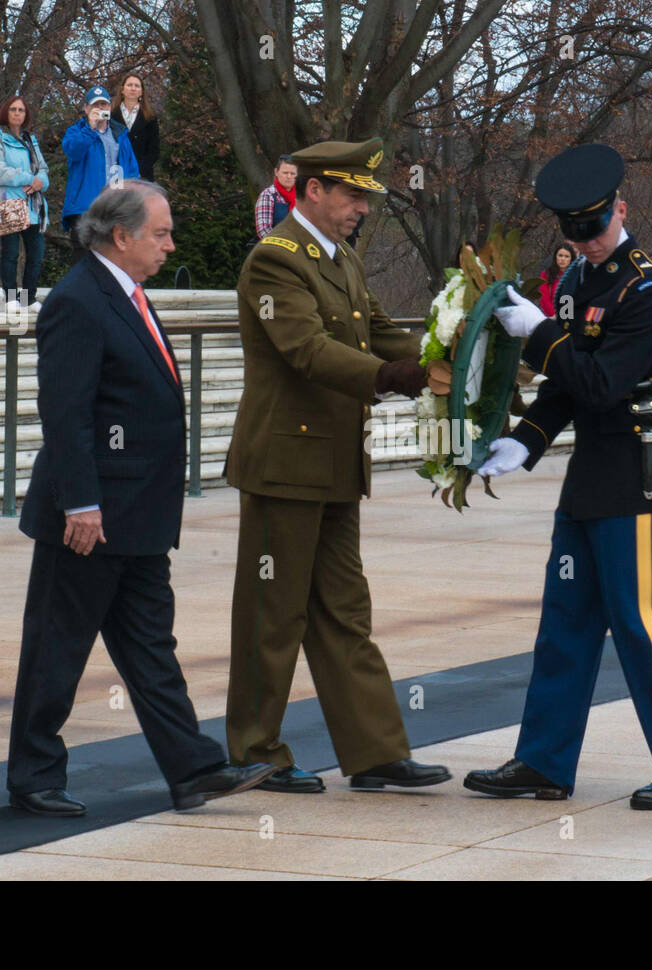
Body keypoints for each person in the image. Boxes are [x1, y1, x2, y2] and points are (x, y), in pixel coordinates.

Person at [462, 144, 652, 810]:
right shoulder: (577, 283)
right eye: (574, 232)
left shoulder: (649, 291)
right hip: (591, 478)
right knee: (566, 621)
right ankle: (545, 762)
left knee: (640, 623)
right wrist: (525, 441)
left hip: (639, 473)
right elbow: (566, 389)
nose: (588, 242)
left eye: (597, 227)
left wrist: (539, 333)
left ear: (621, 211)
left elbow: (603, 385)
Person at [7, 180, 276, 817]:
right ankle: (33, 776)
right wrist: (79, 503)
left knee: (153, 648)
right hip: (91, 516)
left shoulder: (126, 292)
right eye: (161, 233)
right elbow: (65, 414)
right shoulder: (79, 299)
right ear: (120, 236)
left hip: (139, 517)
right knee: (57, 648)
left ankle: (193, 769)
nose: (171, 245)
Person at [225, 137, 452, 794]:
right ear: (313, 191)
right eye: (352, 195)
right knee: (274, 615)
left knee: (344, 612)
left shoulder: (341, 260)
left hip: (331, 465)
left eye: (366, 197)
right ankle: (254, 752)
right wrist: (393, 375)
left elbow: (385, 335)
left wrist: (454, 361)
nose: (361, 208)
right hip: (283, 463)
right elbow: (307, 350)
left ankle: (375, 751)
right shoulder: (275, 263)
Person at [0, 95, 49, 311]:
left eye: (21, 110)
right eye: (13, 109)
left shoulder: (31, 140)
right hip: (8, 203)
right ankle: (11, 297)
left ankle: (28, 298)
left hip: (33, 205)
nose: (17, 113)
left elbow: (43, 170)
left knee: (36, 255)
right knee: (10, 254)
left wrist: (40, 183)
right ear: (6, 112)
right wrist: (30, 179)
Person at [61, 86, 138, 256]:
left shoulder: (121, 135)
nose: (101, 109)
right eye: (96, 105)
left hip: (113, 209)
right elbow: (73, 151)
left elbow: (132, 171)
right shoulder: (76, 132)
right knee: (83, 263)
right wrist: (90, 127)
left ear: (110, 108)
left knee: (112, 261)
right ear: (86, 108)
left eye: (104, 104)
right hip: (84, 208)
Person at [110, 73, 159, 181]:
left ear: (141, 92)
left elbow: (154, 150)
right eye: (129, 85)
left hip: (142, 175)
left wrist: (139, 170)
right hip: (116, 174)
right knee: (118, 199)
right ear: (122, 90)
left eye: (137, 86)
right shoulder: (111, 116)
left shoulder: (150, 117)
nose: (133, 88)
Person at [253, 154, 296, 239]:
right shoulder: (268, 195)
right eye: (285, 173)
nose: (289, 177)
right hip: (275, 248)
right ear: (276, 172)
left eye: (292, 173)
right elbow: (263, 231)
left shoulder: (302, 196)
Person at [537, 243, 574, 316]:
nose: (563, 259)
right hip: (552, 317)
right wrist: (555, 316)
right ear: (555, 257)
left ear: (571, 259)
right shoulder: (546, 274)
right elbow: (544, 298)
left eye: (566, 256)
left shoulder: (576, 275)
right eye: (560, 255)